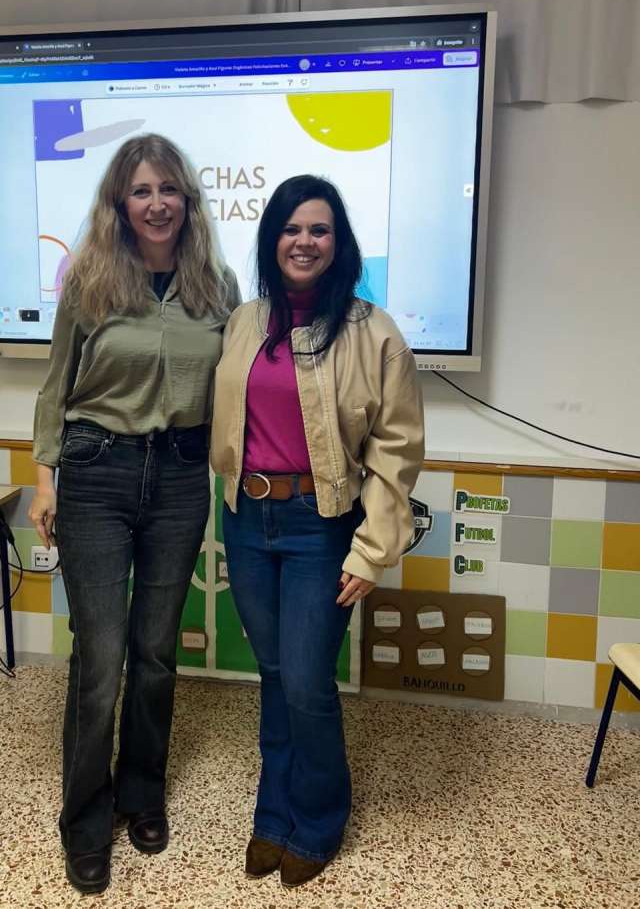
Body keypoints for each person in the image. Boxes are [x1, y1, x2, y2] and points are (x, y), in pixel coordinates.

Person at [30, 133, 240, 895]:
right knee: (100, 658)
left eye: (169, 189)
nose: (157, 204)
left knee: (154, 650)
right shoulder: (89, 280)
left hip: (180, 476)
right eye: (142, 190)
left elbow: (237, 387)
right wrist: (45, 481)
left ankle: (141, 793)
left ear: (188, 199)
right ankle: (85, 820)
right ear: (121, 202)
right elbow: (55, 387)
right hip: (96, 471)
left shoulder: (217, 286)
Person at [210, 174, 424, 888]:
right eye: (291, 228)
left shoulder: (374, 331)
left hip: (320, 525)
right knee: (274, 674)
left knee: (306, 680)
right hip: (246, 518)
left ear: (339, 242)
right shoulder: (244, 322)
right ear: (272, 239)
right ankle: (273, 817)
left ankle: (320, 819)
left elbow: (396, 450)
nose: (304, 242)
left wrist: (373, 548)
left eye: (319, 229)